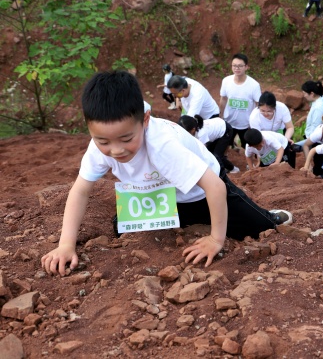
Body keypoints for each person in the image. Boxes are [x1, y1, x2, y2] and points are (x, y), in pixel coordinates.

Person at [40, 71, 291, 276]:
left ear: (145, 120)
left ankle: (268, 216)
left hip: (200, 193)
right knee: (121, 230)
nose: (115, 150)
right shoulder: (99, 146)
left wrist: (216, 240)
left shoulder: (162, 146)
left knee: (258, 228)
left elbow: (215, 187)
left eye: (126, 139)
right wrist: (65, 245)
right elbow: (80, 190)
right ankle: (184, 221)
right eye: (103, 141)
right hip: (161, 194)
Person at [219, 54, 262, 149]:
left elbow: (257, 105)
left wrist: (253, 123)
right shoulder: (226, 81)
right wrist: (220, 116)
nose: (236, 68)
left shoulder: (254, 85)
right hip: (229, 121)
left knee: (247, 147)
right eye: (234, 65)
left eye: (240, 66)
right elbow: (223, 99)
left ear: (246, 67)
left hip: (246, 124)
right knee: (227, 145)